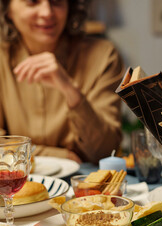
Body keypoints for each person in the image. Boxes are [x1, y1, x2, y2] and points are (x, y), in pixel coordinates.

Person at [0, 0, 124, 164]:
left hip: (83, 185)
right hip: (14, 185)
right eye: (32, 2)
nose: (47, 13)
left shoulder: (104, 56)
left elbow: (105, 151)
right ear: (7, 9)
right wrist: (60, 156)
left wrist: (71, 91)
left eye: (57, 1)